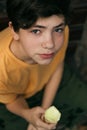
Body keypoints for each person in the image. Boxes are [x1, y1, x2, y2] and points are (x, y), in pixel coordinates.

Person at [0, 0, 87, 130]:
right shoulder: (2, 66)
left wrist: (44, 112)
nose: (50, 44)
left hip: (52, 79)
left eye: (57, 29)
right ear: (14, 30)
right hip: (13, 100)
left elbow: (57, 65)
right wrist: (28, 115)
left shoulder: (62, 32)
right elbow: (11, 100)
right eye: (36, 31)